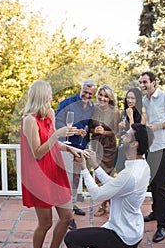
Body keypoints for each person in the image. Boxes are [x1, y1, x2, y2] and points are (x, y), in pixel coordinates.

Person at [20, 79, 85, 248]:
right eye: (49, 94)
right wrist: (57, 134)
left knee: (67, 217)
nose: (51, 97)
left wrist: (70, 148)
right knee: (46, 223)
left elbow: (52, 144)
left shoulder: (48, 115)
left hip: (55, 172)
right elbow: (38, 152)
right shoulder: (29, 120)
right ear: (41, 96)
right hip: (40, 177)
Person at [138, 71, 165, 243]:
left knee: (161, 187)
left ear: (153, 82)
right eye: (140, 82)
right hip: (150, 147)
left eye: (145, 82)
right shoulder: (145, 100)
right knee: (153, 184)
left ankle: (162, 225)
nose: (142, 85)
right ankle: (155, 213)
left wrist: (157, 127)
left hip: (162, 147)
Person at [55, 79, 96, 229]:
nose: (86, 95)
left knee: (76, 179)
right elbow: (57, 122)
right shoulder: (67, 103)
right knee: (67, 179)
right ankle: (67, 216)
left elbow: (92, 124)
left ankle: (71, 206)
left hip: (81, 147)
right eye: (85, 92)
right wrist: (73, 131)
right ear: (81, 89)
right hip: (66, 146)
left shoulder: (92, 107)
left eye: (90, 94)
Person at [89, 84, 120, 217]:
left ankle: (109, 204)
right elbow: (89, 127)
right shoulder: (93, 109)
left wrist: (105, 132)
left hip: (109, 147)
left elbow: (117, 132)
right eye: (100, 95)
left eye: (105, 96)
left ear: (110, 98)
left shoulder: (115, 112)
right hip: (96, 145)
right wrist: (94, 130)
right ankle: (103, 205)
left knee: (108, 177)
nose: (102, 98)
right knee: (97, 177)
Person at [116, 87, 145, 173]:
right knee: (120, 171)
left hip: (132, 151)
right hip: (122, 148)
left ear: (138, 100)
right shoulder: (124, 113)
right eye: (128, 98)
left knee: (131, 174)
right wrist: (120, 128)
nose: (129, 100)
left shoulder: (142, 115)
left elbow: (136, 135)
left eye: (132, 98)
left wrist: (131, 117)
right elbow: (118, 135)